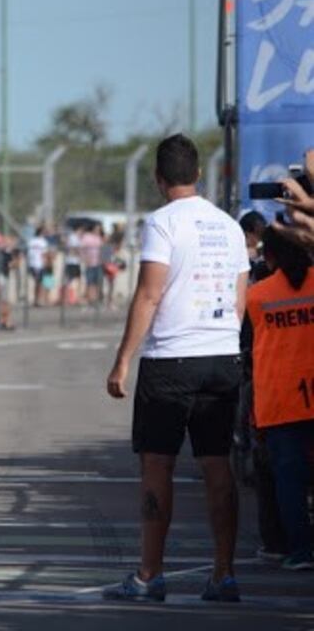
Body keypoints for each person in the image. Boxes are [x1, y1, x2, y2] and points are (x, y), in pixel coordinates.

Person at [104, 134, 250, 603]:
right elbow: (240, 301)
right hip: (222, 355)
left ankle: (150, 575)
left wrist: (123, 360)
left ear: (158, 178)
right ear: (200, 174)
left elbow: (149, 294)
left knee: (157, 466)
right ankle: (224, 574)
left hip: (170, 360)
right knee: (217, 465)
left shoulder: (161, 223)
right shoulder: (229, 225)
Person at [245, 226, 314, 570]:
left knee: (289, 479)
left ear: (268, 257)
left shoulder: (258, 295)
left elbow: (247, 348)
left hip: (280, 398)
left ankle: (300, 549)